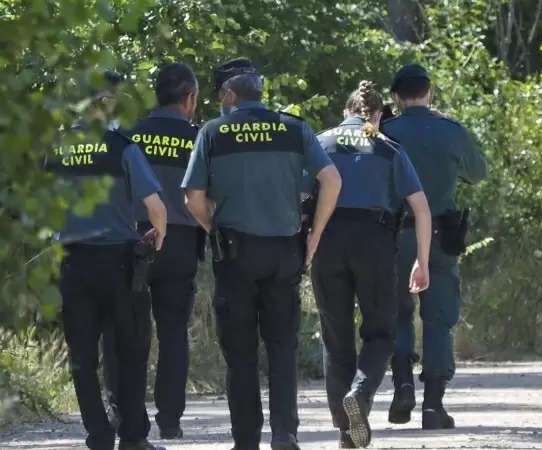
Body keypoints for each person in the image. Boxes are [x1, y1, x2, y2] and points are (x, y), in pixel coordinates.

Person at [181, 58, 341, 450]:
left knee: (240, 352)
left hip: (235, 253)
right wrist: (315, 233)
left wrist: (213, 229)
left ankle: (246, 440)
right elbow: (331, 180)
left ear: (230, 96)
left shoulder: (213, 132)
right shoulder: (294, 128)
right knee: (282, 347)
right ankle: (285, 435)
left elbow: (192, 197)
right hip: (285, 251)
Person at [44, 70, 168, 450]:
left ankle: (98, 435)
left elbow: (43, 212)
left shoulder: (58, 148)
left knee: (82, 355)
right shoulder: (122, 147)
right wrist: (157, 237)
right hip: (119, 263)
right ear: (103, 102)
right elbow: (156, 207)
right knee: (129, 351)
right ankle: (132, 437)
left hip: (74, 263)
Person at [306, 80, 432, 449]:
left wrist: (305, 246)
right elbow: (421, 208)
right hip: (374, 242)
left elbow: (300, 197)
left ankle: (346, 432)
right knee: (380, 333)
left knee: (336, 335)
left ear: (346, 112)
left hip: (327, 240)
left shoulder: (320, 143)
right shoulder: (389, 148)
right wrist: (421, 262)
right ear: (377, 115)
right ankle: (360, 394)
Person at [381, 64, 487, 430]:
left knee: (397, 312)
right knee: (439, 318)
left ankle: (403, 387)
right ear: (430, 94)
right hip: (441, 236)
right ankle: (433, 405)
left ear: (396, 98)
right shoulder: (451, 131)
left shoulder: (384, 131)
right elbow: (478, 173)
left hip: (393, 236)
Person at [101, 62, 204, 440]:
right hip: (180, 242)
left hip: (133, 240)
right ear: (189, 99)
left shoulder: (129, 135)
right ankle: (171, 420)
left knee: (124, 330)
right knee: (173, 330)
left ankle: (126, 416)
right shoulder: (198, 139)